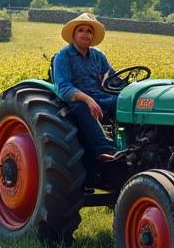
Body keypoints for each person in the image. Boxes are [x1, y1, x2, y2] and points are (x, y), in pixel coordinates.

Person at [52, 13, 123, 162]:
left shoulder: (98, 56)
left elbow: (113, 78)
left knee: (122, 103)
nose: (85, 34)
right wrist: (87, 99)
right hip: (75, 102)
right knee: (82, 107)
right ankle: (104, 150)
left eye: (89, 31)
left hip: (100, 97)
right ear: (74, 34)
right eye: (81, 30)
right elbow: (63, 88)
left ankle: (129, 146)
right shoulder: (63, 56)